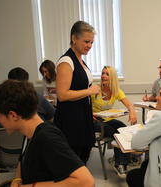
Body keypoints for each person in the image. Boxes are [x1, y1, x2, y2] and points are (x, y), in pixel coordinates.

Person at [0, 80, 95, 187]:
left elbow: (86, 181)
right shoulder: (29, 133)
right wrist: (17, 178)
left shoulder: (46, 138)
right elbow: (23, 159)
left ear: (13, 115)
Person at [54, 21, 100, 164]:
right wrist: (89, 91)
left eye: (91, 42)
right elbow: (62, 95)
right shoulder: (66, 62)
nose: (89, 46)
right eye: (86, 41)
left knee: (84, 153)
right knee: (74, 158)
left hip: (82, 115)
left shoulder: (80, 60)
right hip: (71, 119)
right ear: (74, 39)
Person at [91, 66, 137, 177]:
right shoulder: (95, 89)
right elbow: (83, 105)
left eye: (107, 74)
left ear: (112, 77)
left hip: (107, 119)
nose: (103, 76)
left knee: (122, 129)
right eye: (102, 73)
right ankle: (120, 163)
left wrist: (132, 112)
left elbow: (129, 105)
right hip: (93, 121)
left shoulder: (116, 91)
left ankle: (121, 160)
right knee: (114, 132)